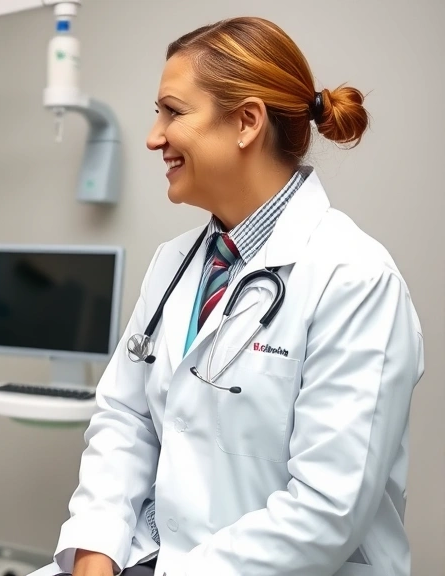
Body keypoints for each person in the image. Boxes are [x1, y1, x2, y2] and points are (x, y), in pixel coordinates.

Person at [46, 17, 423, 576]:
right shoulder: (174, 263)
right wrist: (96, 555)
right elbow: (125, 420)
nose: (154, 136)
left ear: (247, 121)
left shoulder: (356, 280)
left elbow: (326, 510)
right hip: (148, 558)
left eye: (172, 111)